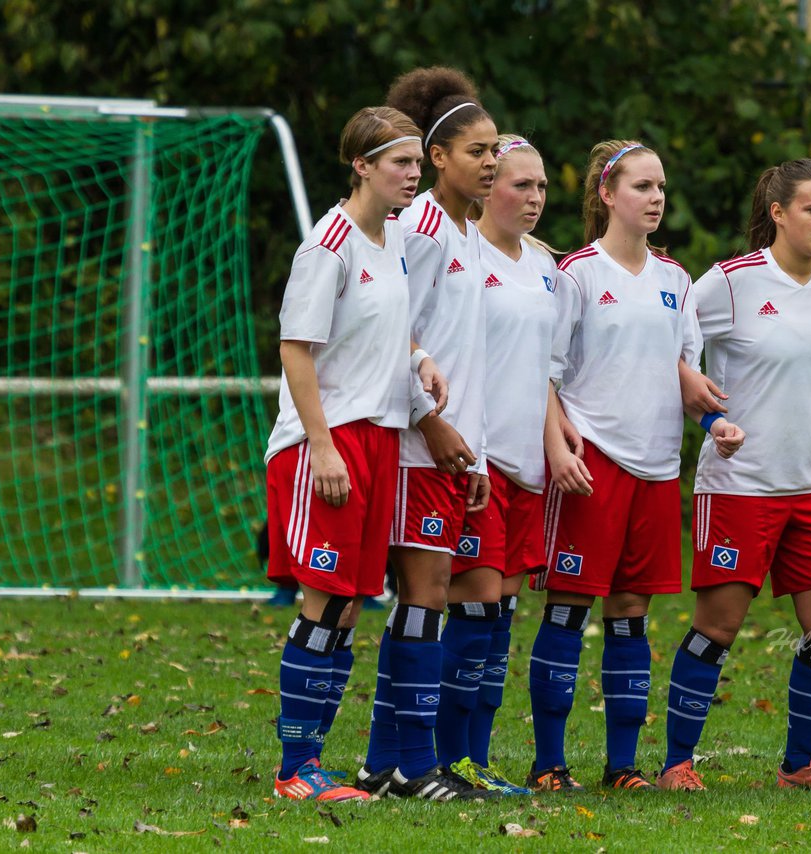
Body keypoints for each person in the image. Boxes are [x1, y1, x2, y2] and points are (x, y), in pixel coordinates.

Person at [527, 140, 743, 793]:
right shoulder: (578, 274)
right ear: (607, 194)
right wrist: (559, 447)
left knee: (630, 615)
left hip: (655, 469)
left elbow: (681, 375)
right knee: (568, 611)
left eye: (661, 189)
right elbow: (544, 372)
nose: (655, 199)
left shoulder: (676, 280)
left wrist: (713, 421)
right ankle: (548, 764)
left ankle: (622, 766)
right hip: (592, 463)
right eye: (643, 187)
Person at [658, 158, 811, 794]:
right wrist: (709, 422)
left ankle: (799, 766)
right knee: (718, 627)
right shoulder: (729, 283)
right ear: (778, 213)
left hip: (810, 488)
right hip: (737, 487)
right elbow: (668, 350)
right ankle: (677, 765)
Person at [264, 105, 446, 802]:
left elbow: (384, 330)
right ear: (361, 166)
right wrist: (322, 445)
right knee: (326, 597)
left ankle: (312, 764)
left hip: (379, 438)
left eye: (415, 162)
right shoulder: (328, 245)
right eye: (400, 162)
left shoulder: (396, 239)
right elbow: (295, 348)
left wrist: (420, 358)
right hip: (326, 443)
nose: (412, 174)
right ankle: (294, 769)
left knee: (349, 605)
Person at [357, 66, 501, 802]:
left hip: (449, 449)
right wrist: (431, 420)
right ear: (437, 156)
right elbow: (396, 334)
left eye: (496, 151)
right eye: (477, 150)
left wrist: (470, 443)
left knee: (427, 596)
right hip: (415, 443)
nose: (492, 163)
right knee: (425, 594)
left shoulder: (470, 235)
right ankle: (414, 767)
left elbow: (461, 356)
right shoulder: (419, 229)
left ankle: (385, 764)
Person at [436, 134, 561, 796]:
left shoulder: (545, 267)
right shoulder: (463, 255)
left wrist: (558, 443)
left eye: (542, 186)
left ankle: (476, 763)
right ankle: (446, 759)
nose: (534, 197)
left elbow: (544, 371)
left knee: (503, 621)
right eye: (521, 185)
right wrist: (472, 449)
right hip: (477, 467)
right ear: (489, 187)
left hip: (528, 470)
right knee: (477, 607)